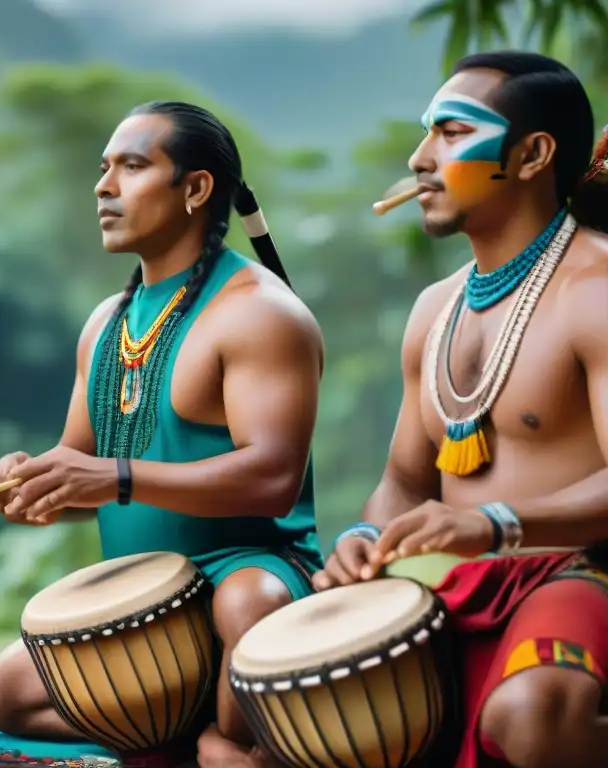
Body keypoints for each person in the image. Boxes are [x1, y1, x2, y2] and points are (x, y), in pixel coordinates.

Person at [0, 101, 325, 768]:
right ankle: (193, 738)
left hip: (250, 577)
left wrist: (118, 477)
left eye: (132, 167)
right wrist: (29, 486)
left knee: (251, 599)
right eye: (103, 169)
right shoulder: (107, 322)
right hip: (149, 595)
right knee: (4, 695)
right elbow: (76, 474)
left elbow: (274, 481)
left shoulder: (260, 313)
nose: (104, 187)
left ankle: (223, 732)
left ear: (195, 189)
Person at [313, 51, 608, 768]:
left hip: (582, 571)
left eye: (451, 133)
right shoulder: (433, 310)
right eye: (426, 134)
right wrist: (365, 535)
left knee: (534, 715)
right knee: (289, 693)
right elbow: (406, 480)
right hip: (459, 581)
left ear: (534, 154)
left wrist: (491, 523)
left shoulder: (596, 289)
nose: (419, 159)